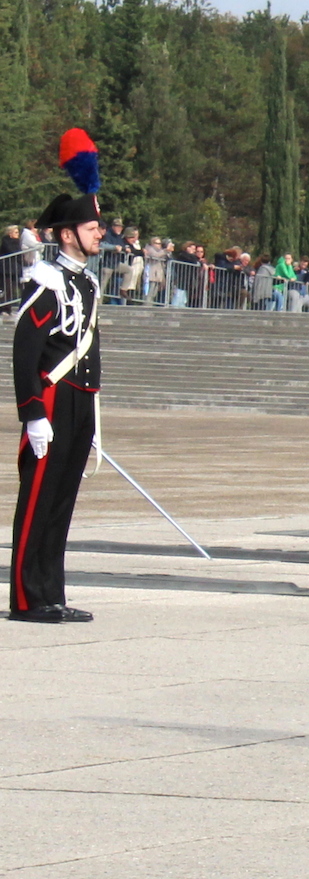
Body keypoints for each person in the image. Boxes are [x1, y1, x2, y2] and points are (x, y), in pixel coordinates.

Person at [11, 132, 107, 624]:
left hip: (78, 402)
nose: (100, 234)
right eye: (93, 227)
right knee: (39, 499)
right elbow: (25, 350)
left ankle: (51, 591)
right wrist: (31, 413)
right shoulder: (47, 281)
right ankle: (28, 598)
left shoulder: (85, 282)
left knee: (62, 501)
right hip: (50, 400)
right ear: (67, 233)